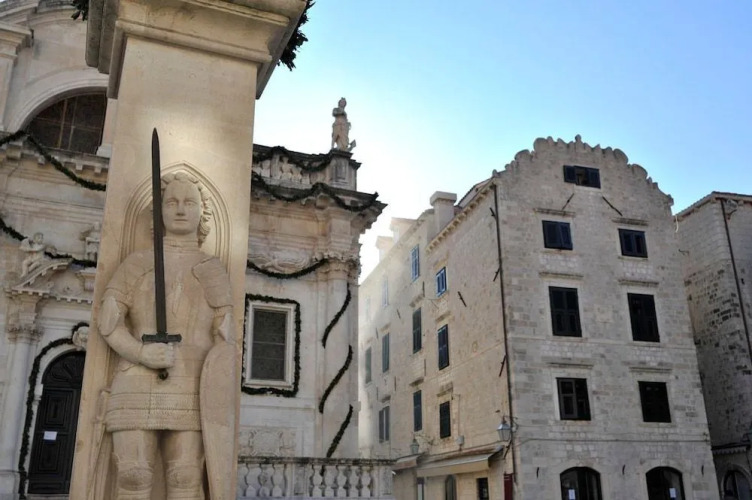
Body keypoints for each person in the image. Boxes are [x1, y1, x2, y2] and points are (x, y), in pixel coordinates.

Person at [98, 171, 234, 500]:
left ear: (202, 212)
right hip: (135, 380)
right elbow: (109, 323)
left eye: (189, 203)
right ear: (159, 211)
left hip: (193, 386)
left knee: (186, 477)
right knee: (132, 476)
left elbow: (227, 339)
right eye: (171, 202)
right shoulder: (137, 263)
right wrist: (140, 352)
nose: (180, 209)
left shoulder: (212, 269)